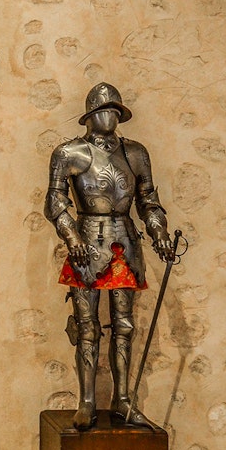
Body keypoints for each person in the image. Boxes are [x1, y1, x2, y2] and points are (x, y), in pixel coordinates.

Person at [45, 82, 175, 431]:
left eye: (116, 111)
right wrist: (72, 236)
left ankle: (123, 400)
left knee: (124, 326)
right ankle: (87, 401)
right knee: (87, 327)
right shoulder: (69, 152)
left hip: (125, 243)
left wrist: (159, 232)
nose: (111, 116)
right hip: (86, 243)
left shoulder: (136, 153)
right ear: (90, 115)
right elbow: (55, 202)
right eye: (105, 110)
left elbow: (148, 201)